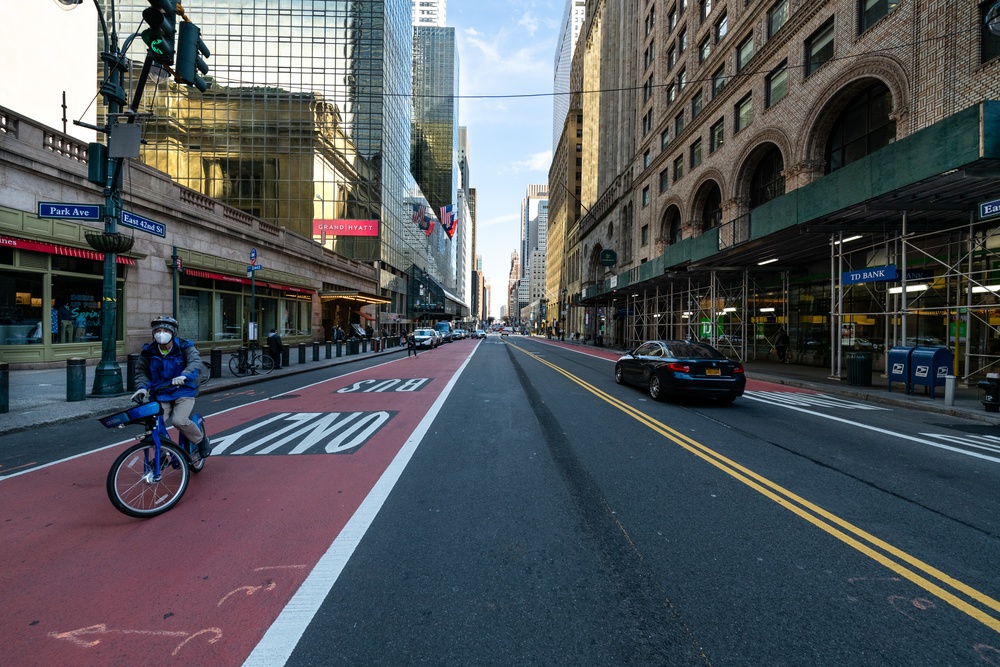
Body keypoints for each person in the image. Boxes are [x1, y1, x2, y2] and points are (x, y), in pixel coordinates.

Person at [131, 316, 211, 459]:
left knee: (179, 421)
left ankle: (201, 440)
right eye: (158, 331)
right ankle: (163, 455)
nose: (161, 334)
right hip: (161, 393)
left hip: (184, 391)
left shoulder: (185, 347)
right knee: (153, 424)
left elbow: (195, 362)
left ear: (173, 333)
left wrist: (185, 375)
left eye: (165, 330)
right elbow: (141, 372)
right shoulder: (149, 352)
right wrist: (142, 388)